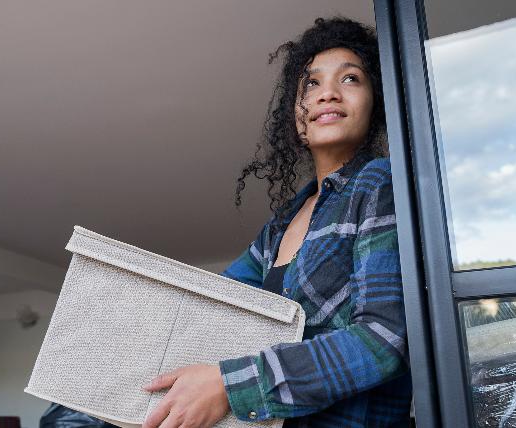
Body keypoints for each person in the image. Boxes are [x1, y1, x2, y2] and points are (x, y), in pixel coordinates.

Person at [139, 17, 412, 428]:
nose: (328, 94)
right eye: (312, 84)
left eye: (350, 79)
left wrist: (231, 386)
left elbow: (384, 340)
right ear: (296, 117)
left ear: (374, 102)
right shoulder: (279, 227)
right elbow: (210, 306)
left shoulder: (377, 183)